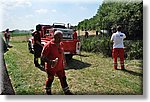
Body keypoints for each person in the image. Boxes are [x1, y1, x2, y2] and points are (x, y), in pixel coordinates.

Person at [41, 30, 73, 95]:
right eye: (60, 37)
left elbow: (62, 53)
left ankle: (66, 91)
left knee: (63, 78)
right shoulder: (48, 45)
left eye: (61, 37)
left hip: (60, 67)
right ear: (55, 37)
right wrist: (50, 62)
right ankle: (48, 91)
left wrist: (64, 61)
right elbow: (42, 57)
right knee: (50, 79)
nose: (61, 39)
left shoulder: (60, 44)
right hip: (51, 67)